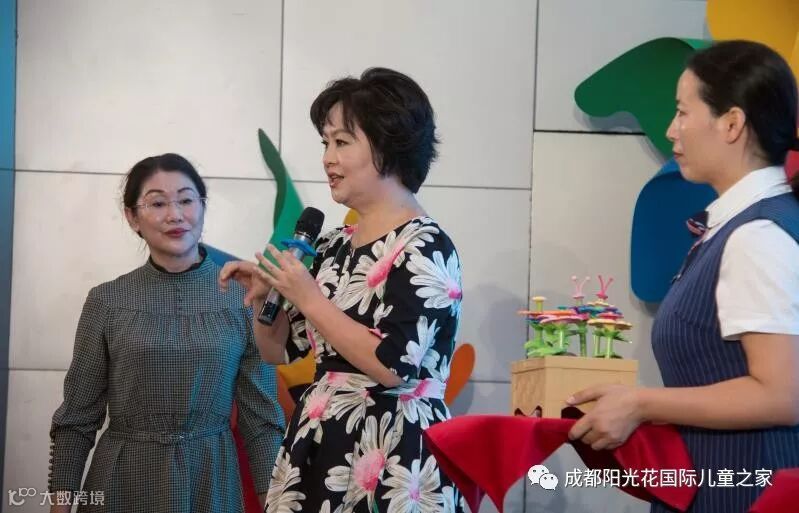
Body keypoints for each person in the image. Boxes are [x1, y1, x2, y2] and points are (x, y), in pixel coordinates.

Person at [566, 40, 799, 512]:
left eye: (682, 112)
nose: (671, 130)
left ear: (731, 123)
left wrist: (642, 404)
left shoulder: (757, 235)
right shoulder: (745, 224)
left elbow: (781, 394)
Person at [219, 67, 466, 512]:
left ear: (388, 145)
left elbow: (393, 366)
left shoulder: (425, 245)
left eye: (342, 142)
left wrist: (308, 297)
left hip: (391, 447)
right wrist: (266, 298)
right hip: (322, 440)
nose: (328, 159)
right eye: (325, 143)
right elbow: (277, 351)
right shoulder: (332, 245)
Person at [48, 153, 285, 512]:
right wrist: (59, 507)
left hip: (212, 481)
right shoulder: (106, 301)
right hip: (122, 481)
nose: (175, 215)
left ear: (202, 207)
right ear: (132, 217)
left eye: (186, 200)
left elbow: (261, 421)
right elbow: (76, 419)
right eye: (158, 203)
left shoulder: (244, 298)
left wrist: (277, 505)